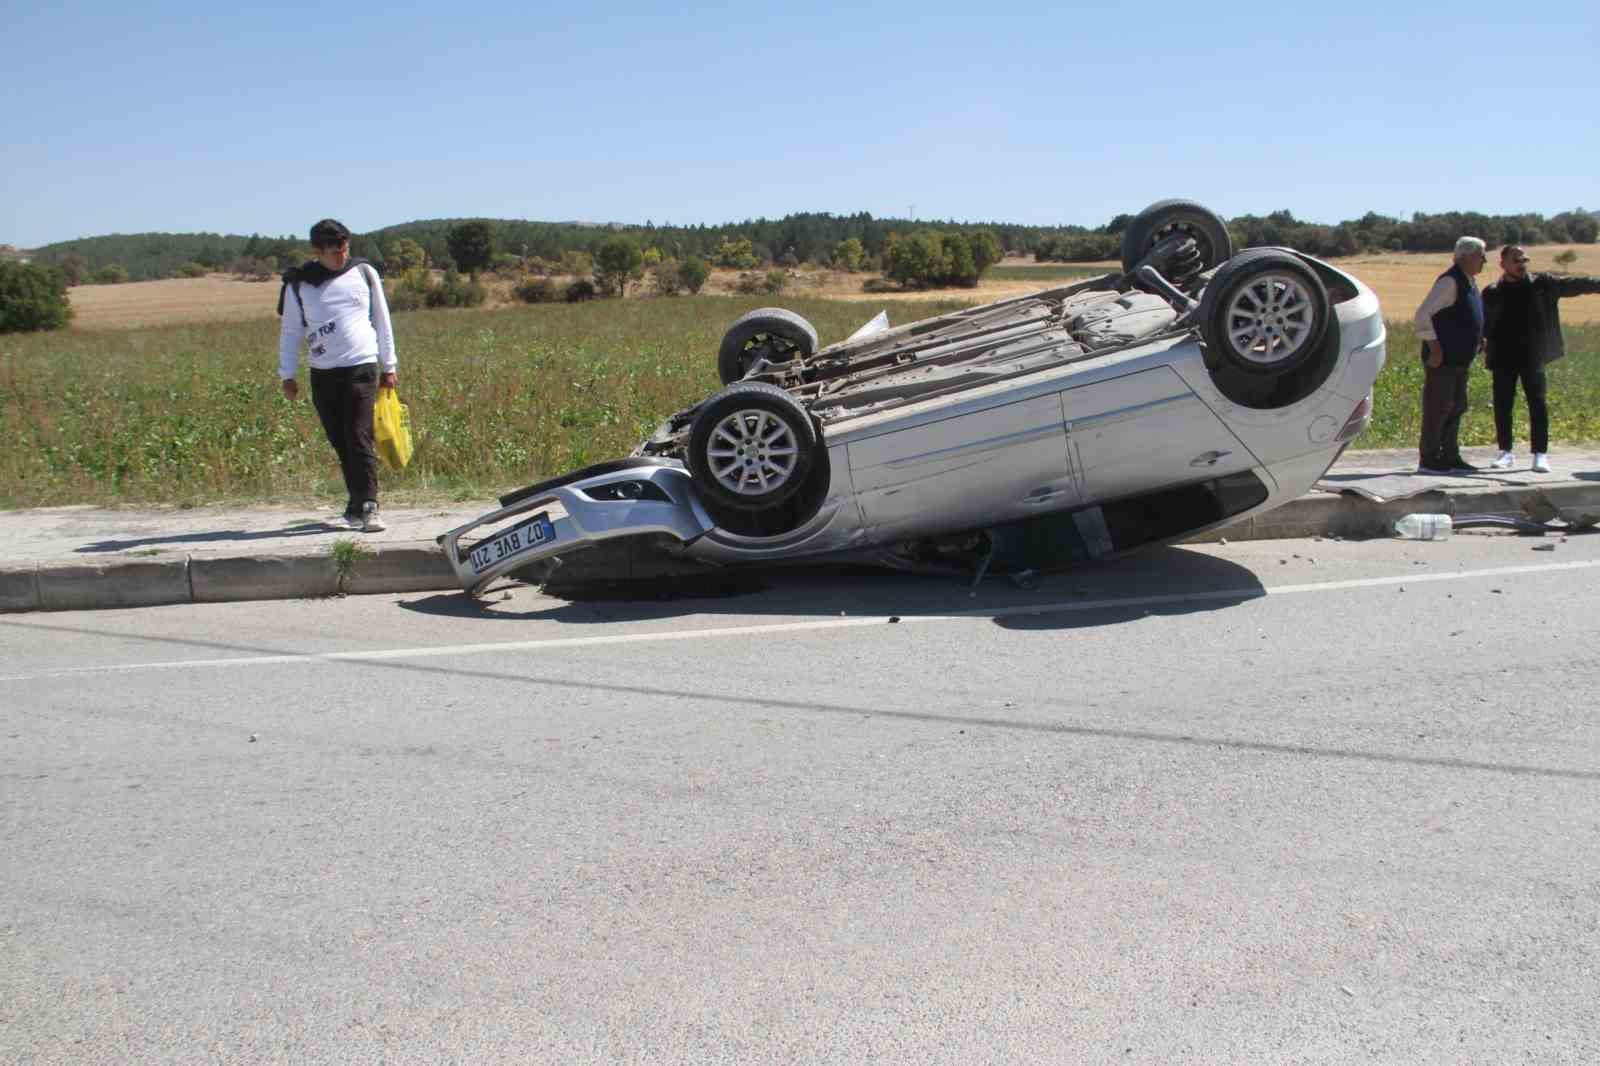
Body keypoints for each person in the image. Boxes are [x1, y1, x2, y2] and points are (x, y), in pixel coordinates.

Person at [277, 219, 398, 531]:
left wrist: (390, 366)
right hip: (323, 372)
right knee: (341, 440)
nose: (341, 257)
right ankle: (355, 505)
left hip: (361, 365)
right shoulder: (298, 284)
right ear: (317, 251)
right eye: (334, 252)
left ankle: (370, 505)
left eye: (345, 249)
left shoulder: (363, 272)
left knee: (359, 435)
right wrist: (287, 374)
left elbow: (382, 319)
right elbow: (291, 331)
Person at [1482, 245, 1600, 473]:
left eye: (1525, 259)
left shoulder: (1542, 284)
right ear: (1503, 263)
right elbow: (1482, 323)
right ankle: (1505, 452)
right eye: (1516, 260)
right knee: (1503, 404)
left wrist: (1597, 284)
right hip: (1503, 356)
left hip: (1533, 354)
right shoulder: (1492, 292)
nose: (1522, 263)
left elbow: (1574, 284)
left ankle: (1540, 454)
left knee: (1538, 403)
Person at [1413, 236, 1488, 474]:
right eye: (1481, 255)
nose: (1485, 260)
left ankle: (1450, 456)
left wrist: (1479, 339)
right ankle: (1429, 459)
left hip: (1459, 360)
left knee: (1456, 406)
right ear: (1465, 256)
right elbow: (1423, 315)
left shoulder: (1469, 282)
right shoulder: (1449, 282)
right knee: (1439, 408)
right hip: (1443, 360)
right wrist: (1434, 347)